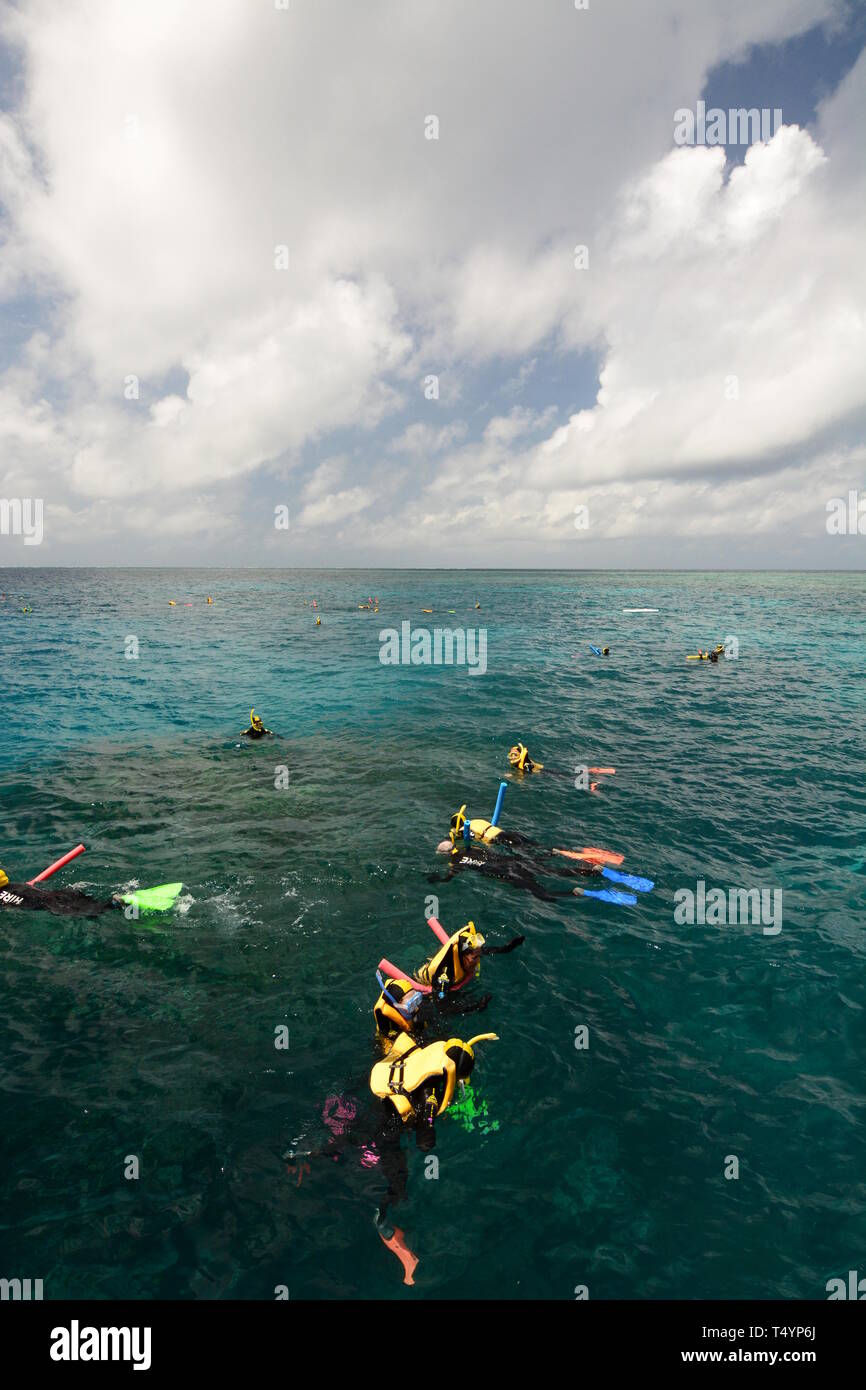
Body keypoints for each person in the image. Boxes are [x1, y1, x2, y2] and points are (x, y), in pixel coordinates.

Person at [373, 967, 492, 1051]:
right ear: (396, 1005)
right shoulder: (390, 1030)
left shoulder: (419, 1008)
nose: (417, 1007)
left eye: (417, 999)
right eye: (411, 1004)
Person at [414, 920, 524, 996]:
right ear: (463, 956)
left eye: (478, 956)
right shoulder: (446, 975)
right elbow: (442, 1005)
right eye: (474, 958)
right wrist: (474, 1007)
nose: (477, 961)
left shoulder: (470, 951)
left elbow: (492, 951)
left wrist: (509, 947)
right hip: (428, 985)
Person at [0, 866, 122, 917]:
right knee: (93, 905)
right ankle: (115, 901)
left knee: (93, 913)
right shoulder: (18, 885)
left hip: (52, 904)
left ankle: (114, 903)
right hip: (57, 894)